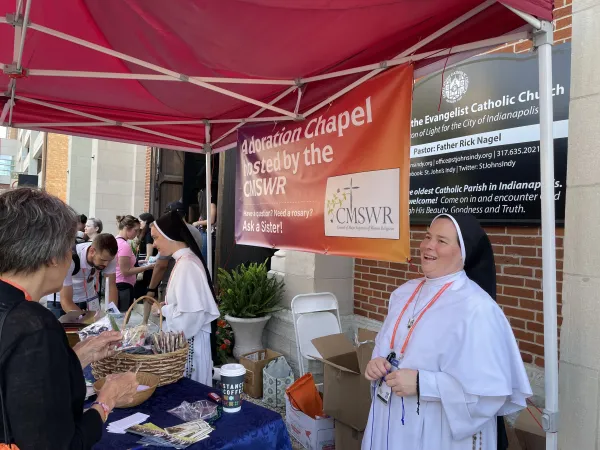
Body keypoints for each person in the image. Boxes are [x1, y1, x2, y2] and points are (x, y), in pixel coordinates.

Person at [362, 213, 532, 450]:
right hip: (389, 417)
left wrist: (424, 383)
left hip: (436, 430)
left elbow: (489, 394)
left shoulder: (477, 308)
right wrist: (376, 363)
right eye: (427, 236)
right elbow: (389, 346)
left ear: (463, 253)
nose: (428, 246)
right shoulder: (403, 293)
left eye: (441, 241)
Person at [0, 187, 138, 450]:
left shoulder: (18, 313)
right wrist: (107, 399)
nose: (71, 257)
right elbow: (60, 444)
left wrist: (77, 356)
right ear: (53, 256)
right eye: (69, 249)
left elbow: (20, 381)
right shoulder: (33, 324)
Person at [150, 211, 219, 385]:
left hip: (191, 344)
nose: (154, 243)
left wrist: (163, 309)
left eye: (156, 238)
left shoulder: (187, 264)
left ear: (169, 236)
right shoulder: (184, 260)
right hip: (192, 340)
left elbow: (190, 318)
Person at [58, 233, 119, 313]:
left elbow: (111, 287)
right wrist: (86, 321)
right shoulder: (70, 259)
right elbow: (66, 301)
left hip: (89, 298)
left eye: (109, 261)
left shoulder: (108, 256)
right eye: (103, 260)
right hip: (63, 300)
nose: (106, 264)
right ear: (92, 251)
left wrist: (112, 314)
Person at [115, 215, 154, 312]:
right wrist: (147, 267)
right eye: (135, 230)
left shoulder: (118, 241)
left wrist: (138, 262)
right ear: (127, 228)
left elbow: (122, 264)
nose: (137, 233)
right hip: (123, 285)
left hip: (120, 284)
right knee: (123, 317)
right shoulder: (124, 245)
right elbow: (126, 271)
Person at [192, 188, 217, 263]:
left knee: (204, 258)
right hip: (202, 232)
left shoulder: (211, 204)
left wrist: (197, 223)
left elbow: (211, 220)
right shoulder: (203, 208)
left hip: (207, 233)